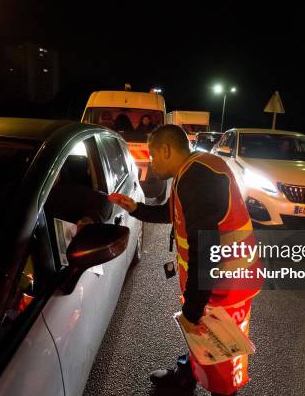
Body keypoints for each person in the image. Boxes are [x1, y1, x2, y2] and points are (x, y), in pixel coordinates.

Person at [109, 125, 261, 396]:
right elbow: (177, 215)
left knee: (224, 354)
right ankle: (186, 376)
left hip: (227, 284)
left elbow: (206, 253)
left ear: (167, 150)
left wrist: (192, 309)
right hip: (217, 281)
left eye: (154, 156)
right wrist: (136, 209)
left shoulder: (197, 177)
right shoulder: (190, 171)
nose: (152, 163)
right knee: (203, 337)